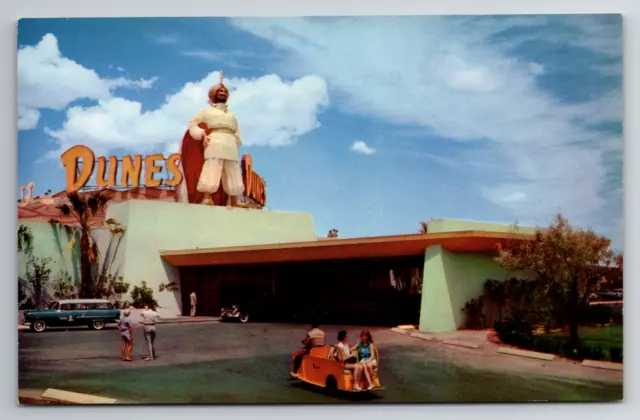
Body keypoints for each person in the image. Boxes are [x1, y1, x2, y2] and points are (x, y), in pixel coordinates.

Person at [177, 71, 244, 207]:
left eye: (225, 92)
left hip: (230, 143)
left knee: (233, 169)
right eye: (220, 91)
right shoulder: (207, 112)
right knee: (212, 167)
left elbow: (237, 130)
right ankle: (207, 197)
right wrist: (202, 134)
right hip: (215, 140)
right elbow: (193, 123)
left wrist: (236, 141)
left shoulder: (232, 115)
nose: (223, 94)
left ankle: (235, 200)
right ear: (214, 94)